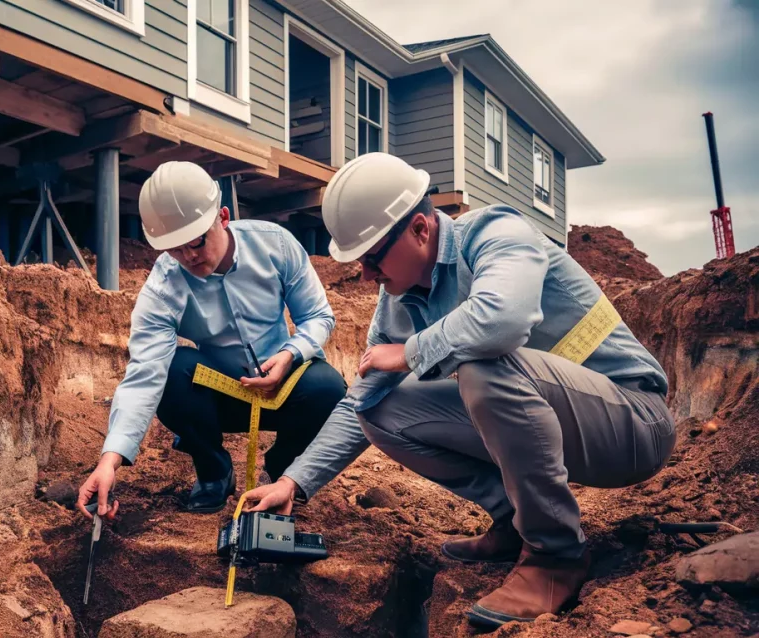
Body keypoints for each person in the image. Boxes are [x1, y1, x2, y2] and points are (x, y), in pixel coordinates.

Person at [242, 152, 675, 628]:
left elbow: (501, 320)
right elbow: (362, 397)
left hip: (633, 425)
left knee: (481, 363)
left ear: (420, 229)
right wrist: (294, 481)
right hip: (560, 425)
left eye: (371, 258)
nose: (365, 275)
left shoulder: (499, 234)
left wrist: (410, 353)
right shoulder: (400, 298)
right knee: (381, 407)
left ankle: (555, 554)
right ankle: (516, 522)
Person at [77, 161, 347, 519]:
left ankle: (283, 473)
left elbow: (318, 316)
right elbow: (144, 373)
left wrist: (289, 355)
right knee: (173, 370)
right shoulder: (163, 288)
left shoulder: (276, 245)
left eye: (196, 242)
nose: (189, 257)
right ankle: (214, 472)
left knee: (328, 388)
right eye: (175, 250)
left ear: (223, 217)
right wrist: (109, 460)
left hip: (283, 386)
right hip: (222, 396)